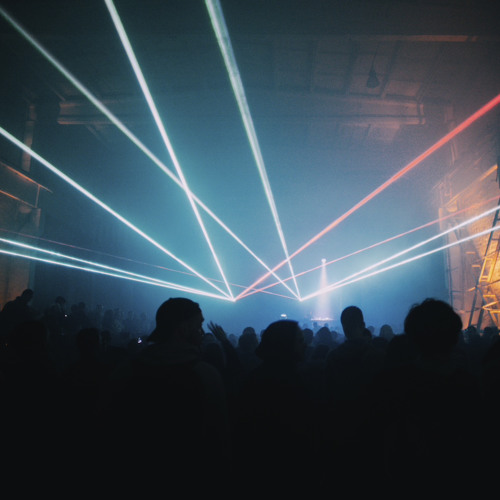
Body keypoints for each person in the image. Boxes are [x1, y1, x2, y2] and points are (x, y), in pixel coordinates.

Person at [100, 297, 230, 488]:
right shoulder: (205, 375)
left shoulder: (126, 371)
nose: (202, 333)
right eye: (199, 326)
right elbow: (218, 439)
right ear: (183, 328)